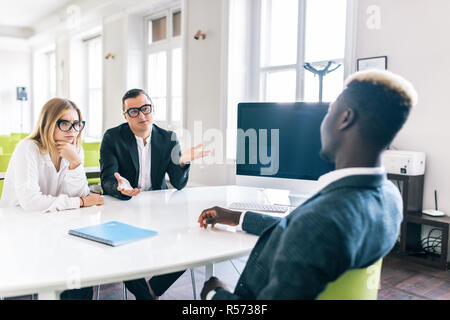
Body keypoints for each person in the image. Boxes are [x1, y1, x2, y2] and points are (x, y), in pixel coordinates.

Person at [197, 69, 418, 300]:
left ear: (345, 118)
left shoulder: (321, 222)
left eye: (330, 111)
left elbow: (312, 231)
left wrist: (215, 294)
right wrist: (237, 217)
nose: (323, 122)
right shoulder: (390, 197)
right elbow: (303, 233)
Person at [100, 88, 210, 300]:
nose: (141, 115)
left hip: (158, 208)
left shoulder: (168, 138)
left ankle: (151, 290)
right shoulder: (113, 137)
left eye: (145, 108)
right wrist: (120, 187)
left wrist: (182, 162)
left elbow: (178, 184)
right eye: (133, 111)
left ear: (152, 109)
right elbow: (107, 179)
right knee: (123, 253)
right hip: (125, 207)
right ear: (125, 115)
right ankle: (147, 297)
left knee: (188, 248)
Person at [0, 97, 104, 299]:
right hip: (20, 230)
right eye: (65, 123)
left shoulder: (75, 150)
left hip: (52, 226)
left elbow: (78, 193)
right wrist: (80, 203)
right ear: (48, 123)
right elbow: (31, 202)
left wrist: (75, 162)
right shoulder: (28, 149)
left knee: (80, 276)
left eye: (77, 124)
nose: (72, 130)